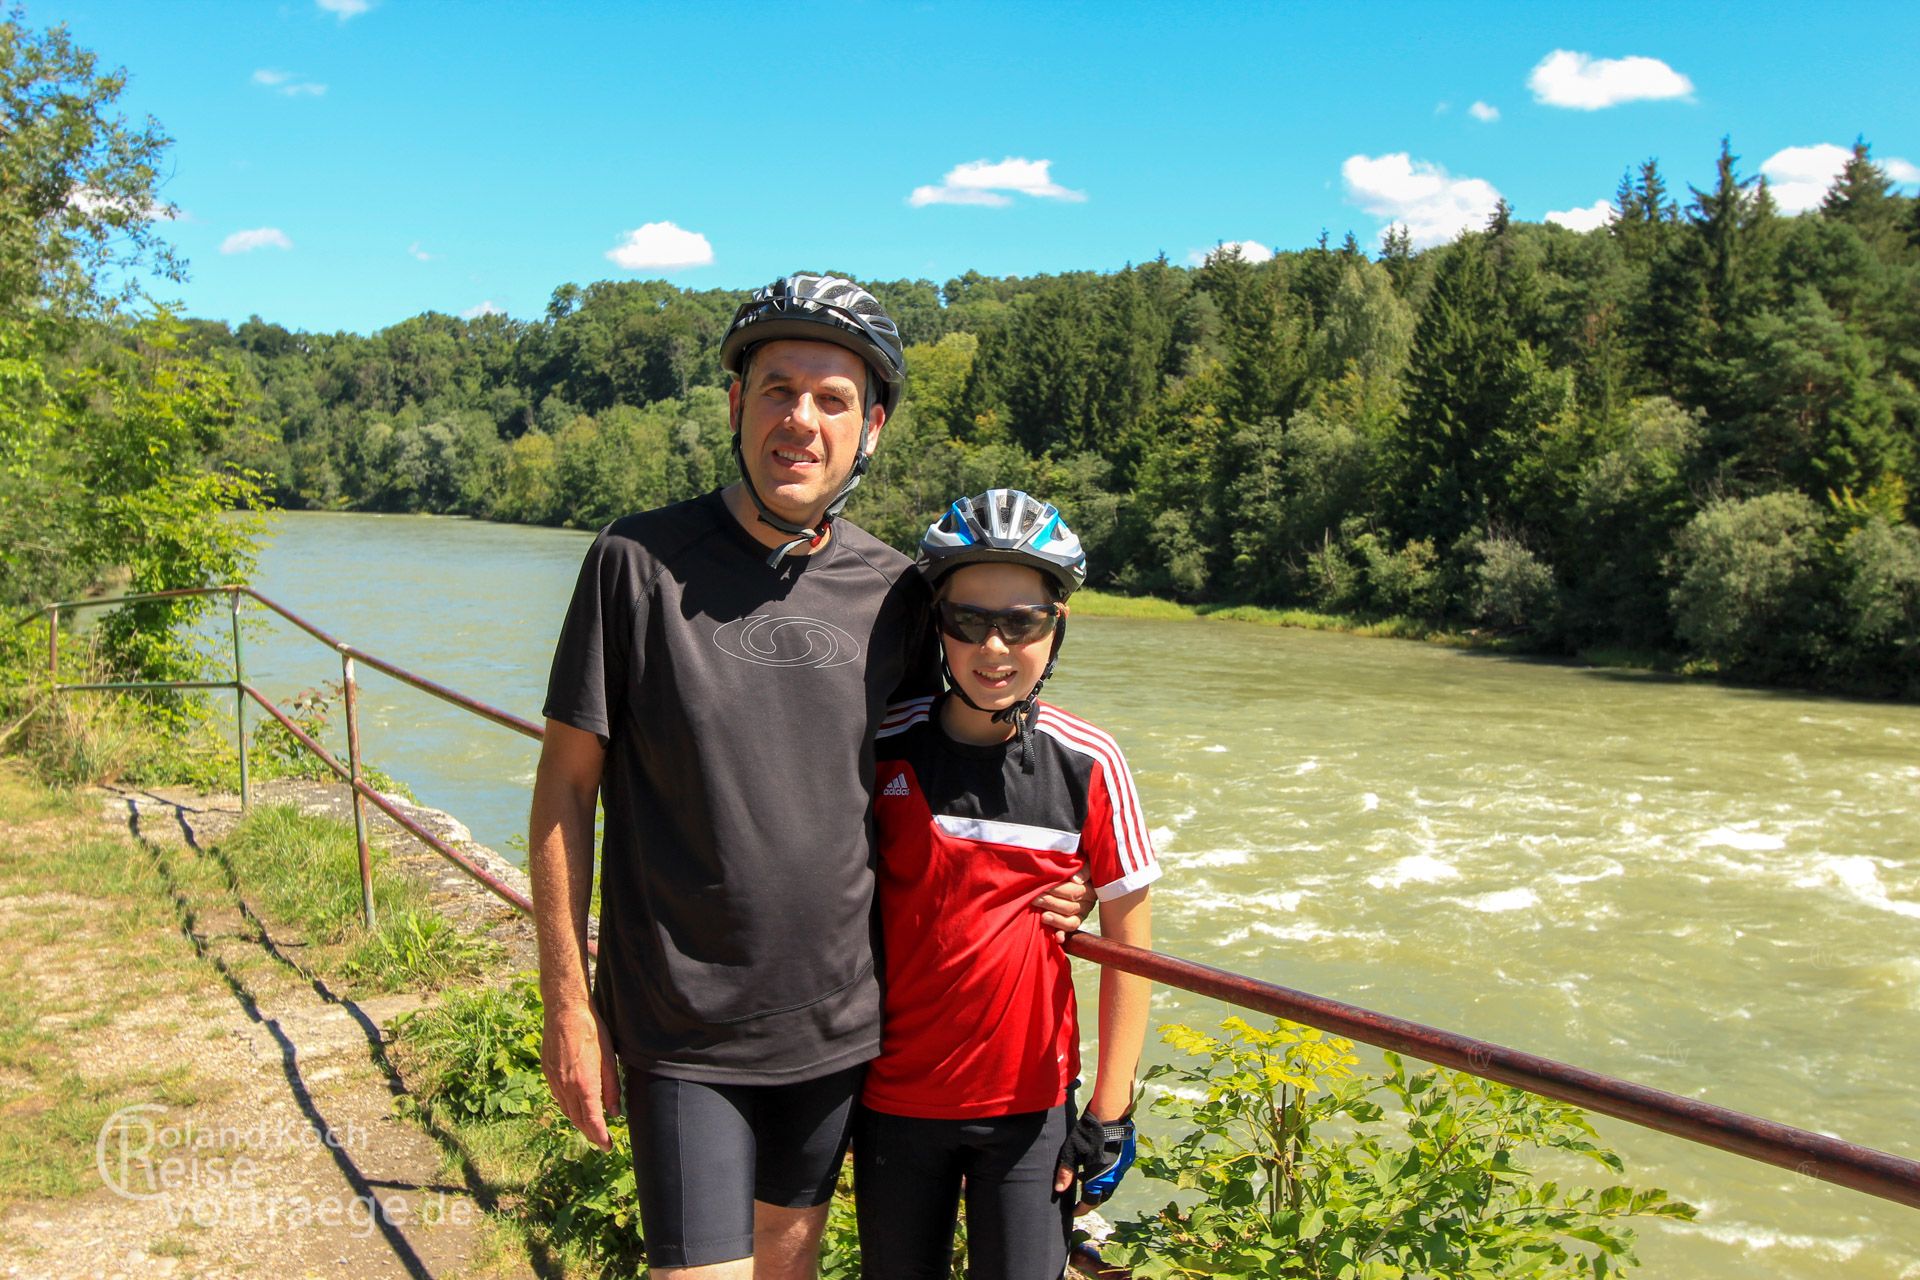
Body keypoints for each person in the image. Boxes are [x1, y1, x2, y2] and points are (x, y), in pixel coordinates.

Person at [527, 276, 1092, 1280]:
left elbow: (960, 765)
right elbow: (566, 789)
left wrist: (1064, 875)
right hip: (683, 1020)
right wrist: (567, 999)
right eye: (778, 387)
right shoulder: (636, 561)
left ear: (870, 426)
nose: (802, 418)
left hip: (838, 1028)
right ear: (735, 402)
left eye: (832, 398)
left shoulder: (894, 595)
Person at [854, 489, 1158, 1280]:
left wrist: (1112, 1112)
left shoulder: (1089, 762)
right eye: (968, 620)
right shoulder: (882, 743)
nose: (994, 647)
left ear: (1055, 627)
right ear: (938, 626)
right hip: (893, 1100)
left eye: (1021, 622)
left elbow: (1132, 948)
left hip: (1029, 1113)